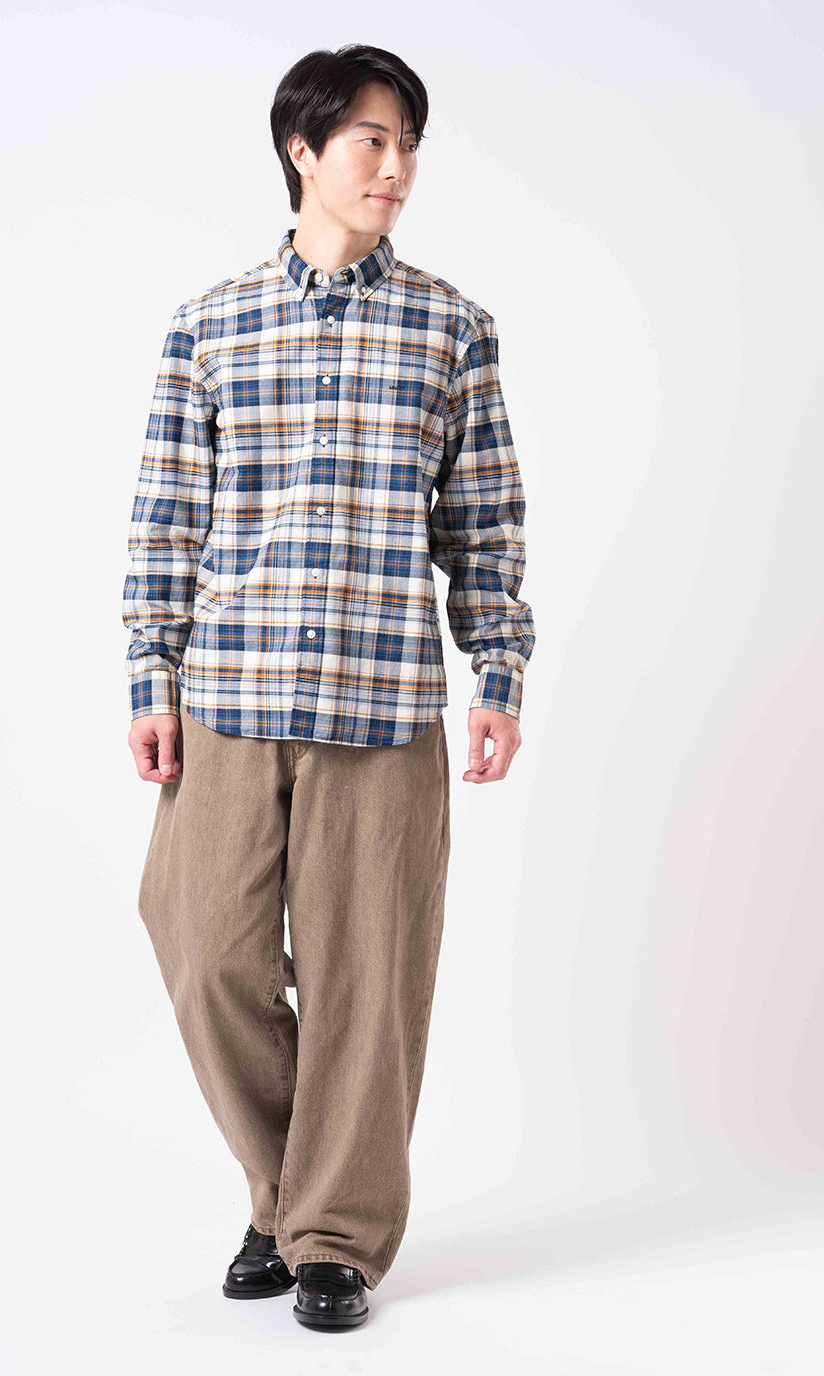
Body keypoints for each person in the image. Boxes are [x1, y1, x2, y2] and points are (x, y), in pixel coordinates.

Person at [122, 43, 536, 1330]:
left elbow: (485, 522)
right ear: (303, 151)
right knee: (203, 946)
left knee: (371, 980)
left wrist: (499, 669)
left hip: (382, 703)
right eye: (371, 139)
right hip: (230, 697)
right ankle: (285, 1189)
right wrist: (149, 675)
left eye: (408, 143)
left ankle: (335, 1239)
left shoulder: (452, 327)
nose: (396, 166)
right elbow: (165, 520)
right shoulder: (209, 323)